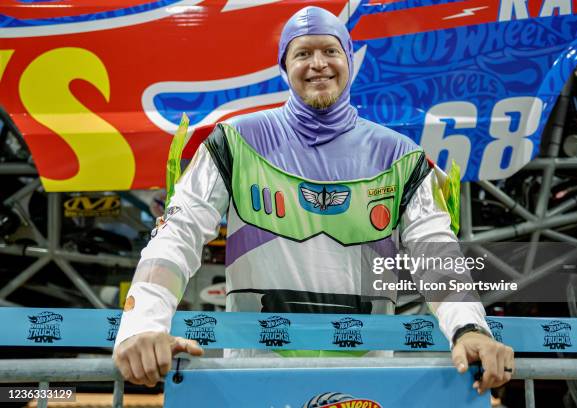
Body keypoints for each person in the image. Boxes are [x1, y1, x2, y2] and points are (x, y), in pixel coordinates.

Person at [113, 6, 514, 394]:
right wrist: (143, 326)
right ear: (284, 66)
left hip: (367, 384)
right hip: (255, 381)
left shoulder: (401, 156)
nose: (318, 63)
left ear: (349, 61)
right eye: (302, 52)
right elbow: (176, 236)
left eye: (330, 51)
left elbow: (437, 255)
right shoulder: (233, 141)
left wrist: (470, 328)